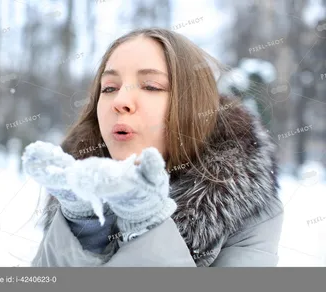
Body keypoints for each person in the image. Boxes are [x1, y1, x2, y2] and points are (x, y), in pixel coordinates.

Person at [22, 27, 284, 267]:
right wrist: (85, 226)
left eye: (151, 86)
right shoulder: (75, 196)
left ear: (196, 107)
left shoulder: (251, 213)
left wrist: (146, 223)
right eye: (110, 87)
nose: (120, 100)